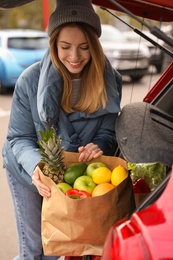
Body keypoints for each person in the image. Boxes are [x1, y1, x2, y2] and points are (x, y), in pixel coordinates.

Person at [2, 0, 122, 259]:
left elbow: (108, 131)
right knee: (36, 250)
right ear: (54, 44)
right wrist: (37, 168)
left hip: (77, 173)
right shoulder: (29, 81)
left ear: (95, 46)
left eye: (84, 47)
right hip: (28, 169)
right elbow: (19, 137)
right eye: (65, 47)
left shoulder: (111, 81)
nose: (75, 57)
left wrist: (99, 145)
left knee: (67, 245)